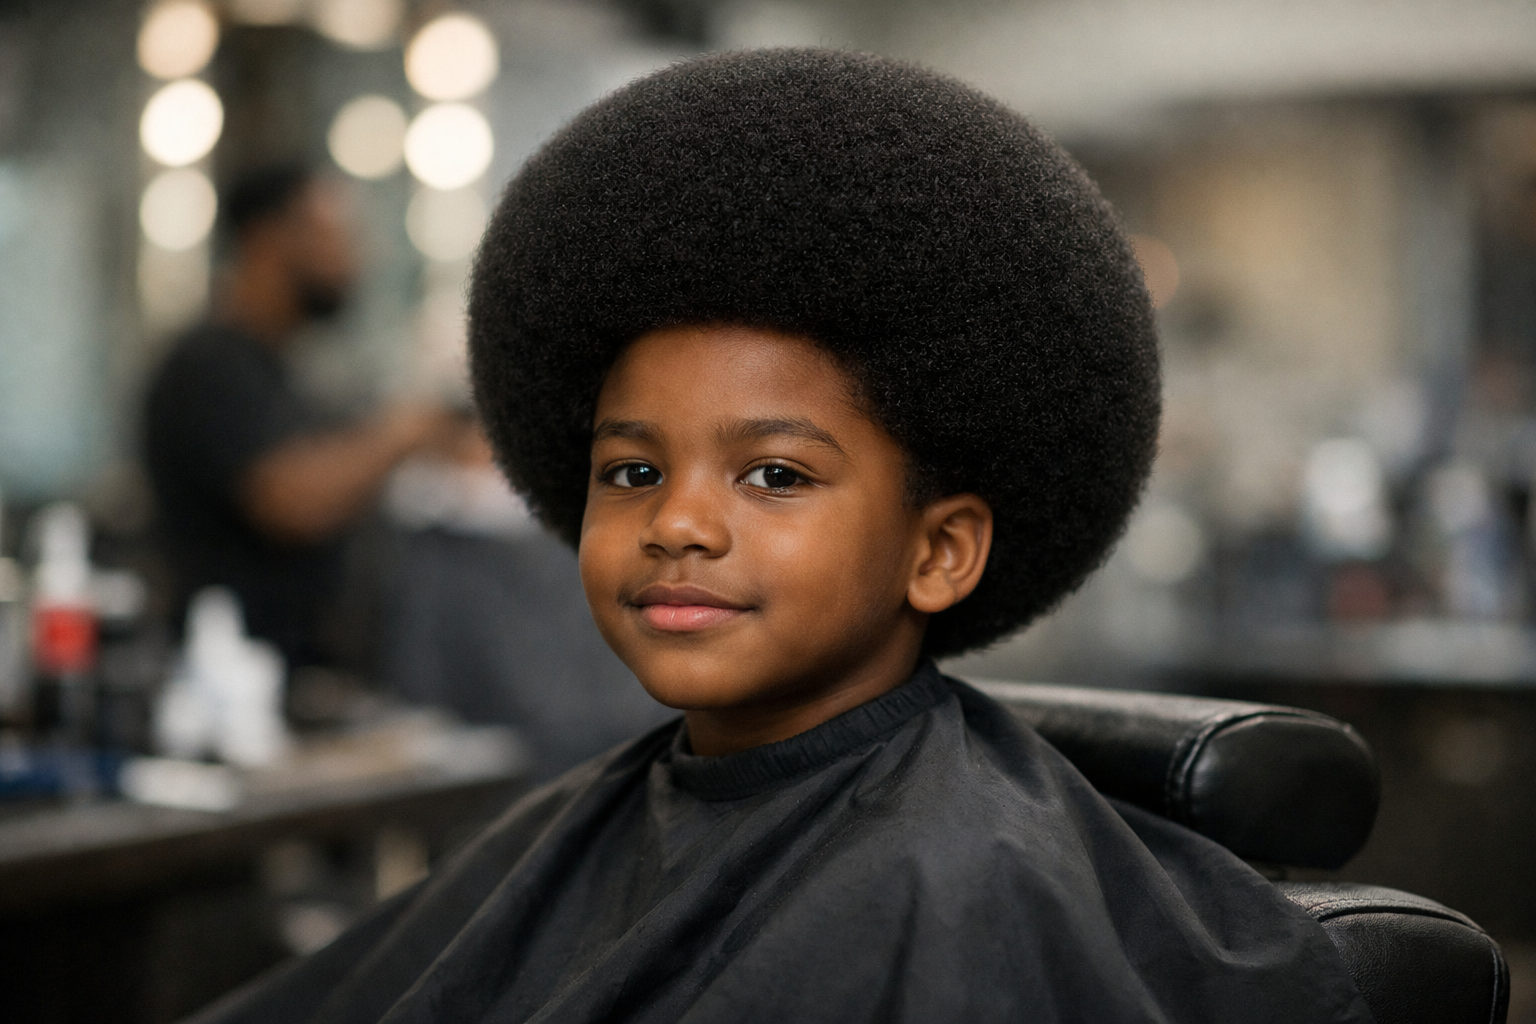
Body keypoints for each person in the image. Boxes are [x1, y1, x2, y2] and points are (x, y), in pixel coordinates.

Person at [188, 51, 1372, 1023]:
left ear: (940, 550)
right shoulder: (582, 821)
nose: (680, 521)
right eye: (634, 469)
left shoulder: (943, 890)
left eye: (774, 473)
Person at [143, 164, 461, 669]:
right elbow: (292, 502)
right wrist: (403, 432)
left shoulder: (283, 368)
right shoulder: (209, 366)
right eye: (333, 236)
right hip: (230, 682)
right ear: (267, 239)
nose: (355, 259)